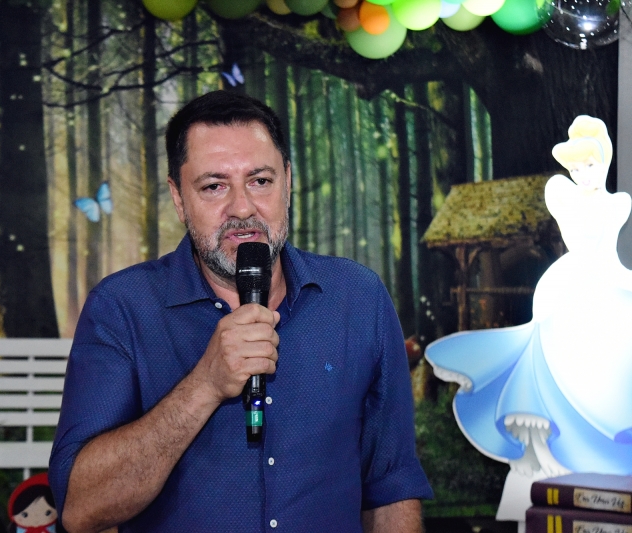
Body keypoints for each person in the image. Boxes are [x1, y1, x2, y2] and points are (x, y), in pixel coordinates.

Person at [49, 90, 433, 533]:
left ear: (288, 181)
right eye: (214, 186)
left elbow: (391, 487)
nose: (243, 208)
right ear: (178, 198)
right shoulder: (121, 307)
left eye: (260, 181)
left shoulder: (357, 298)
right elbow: (80, 508)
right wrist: (204, 385)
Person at [425, 116, 632, 516]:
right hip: (565, 290)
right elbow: (562, 202)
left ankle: (601, 447)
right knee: (553, 365)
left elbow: (610, 259)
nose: (583, 174)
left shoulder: (618, 204)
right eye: (576, 167)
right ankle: (552, 446)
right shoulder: (562, 195)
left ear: (605, 161)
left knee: (606, 374)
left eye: (590, 164)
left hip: (603, 288)